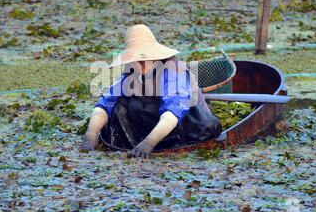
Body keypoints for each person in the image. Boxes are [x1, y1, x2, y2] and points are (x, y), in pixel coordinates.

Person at [83, 24, 221, 158]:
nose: (140, 64)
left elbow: (174, 109)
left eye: (144, 58)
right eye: (135, 60)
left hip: (188, 125)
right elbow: (106, 102)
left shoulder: (173, 69)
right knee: (121, 104)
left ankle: (155, 142)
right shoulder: (132, 72)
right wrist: (91, 135)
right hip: (155, 122)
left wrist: (149, 143)